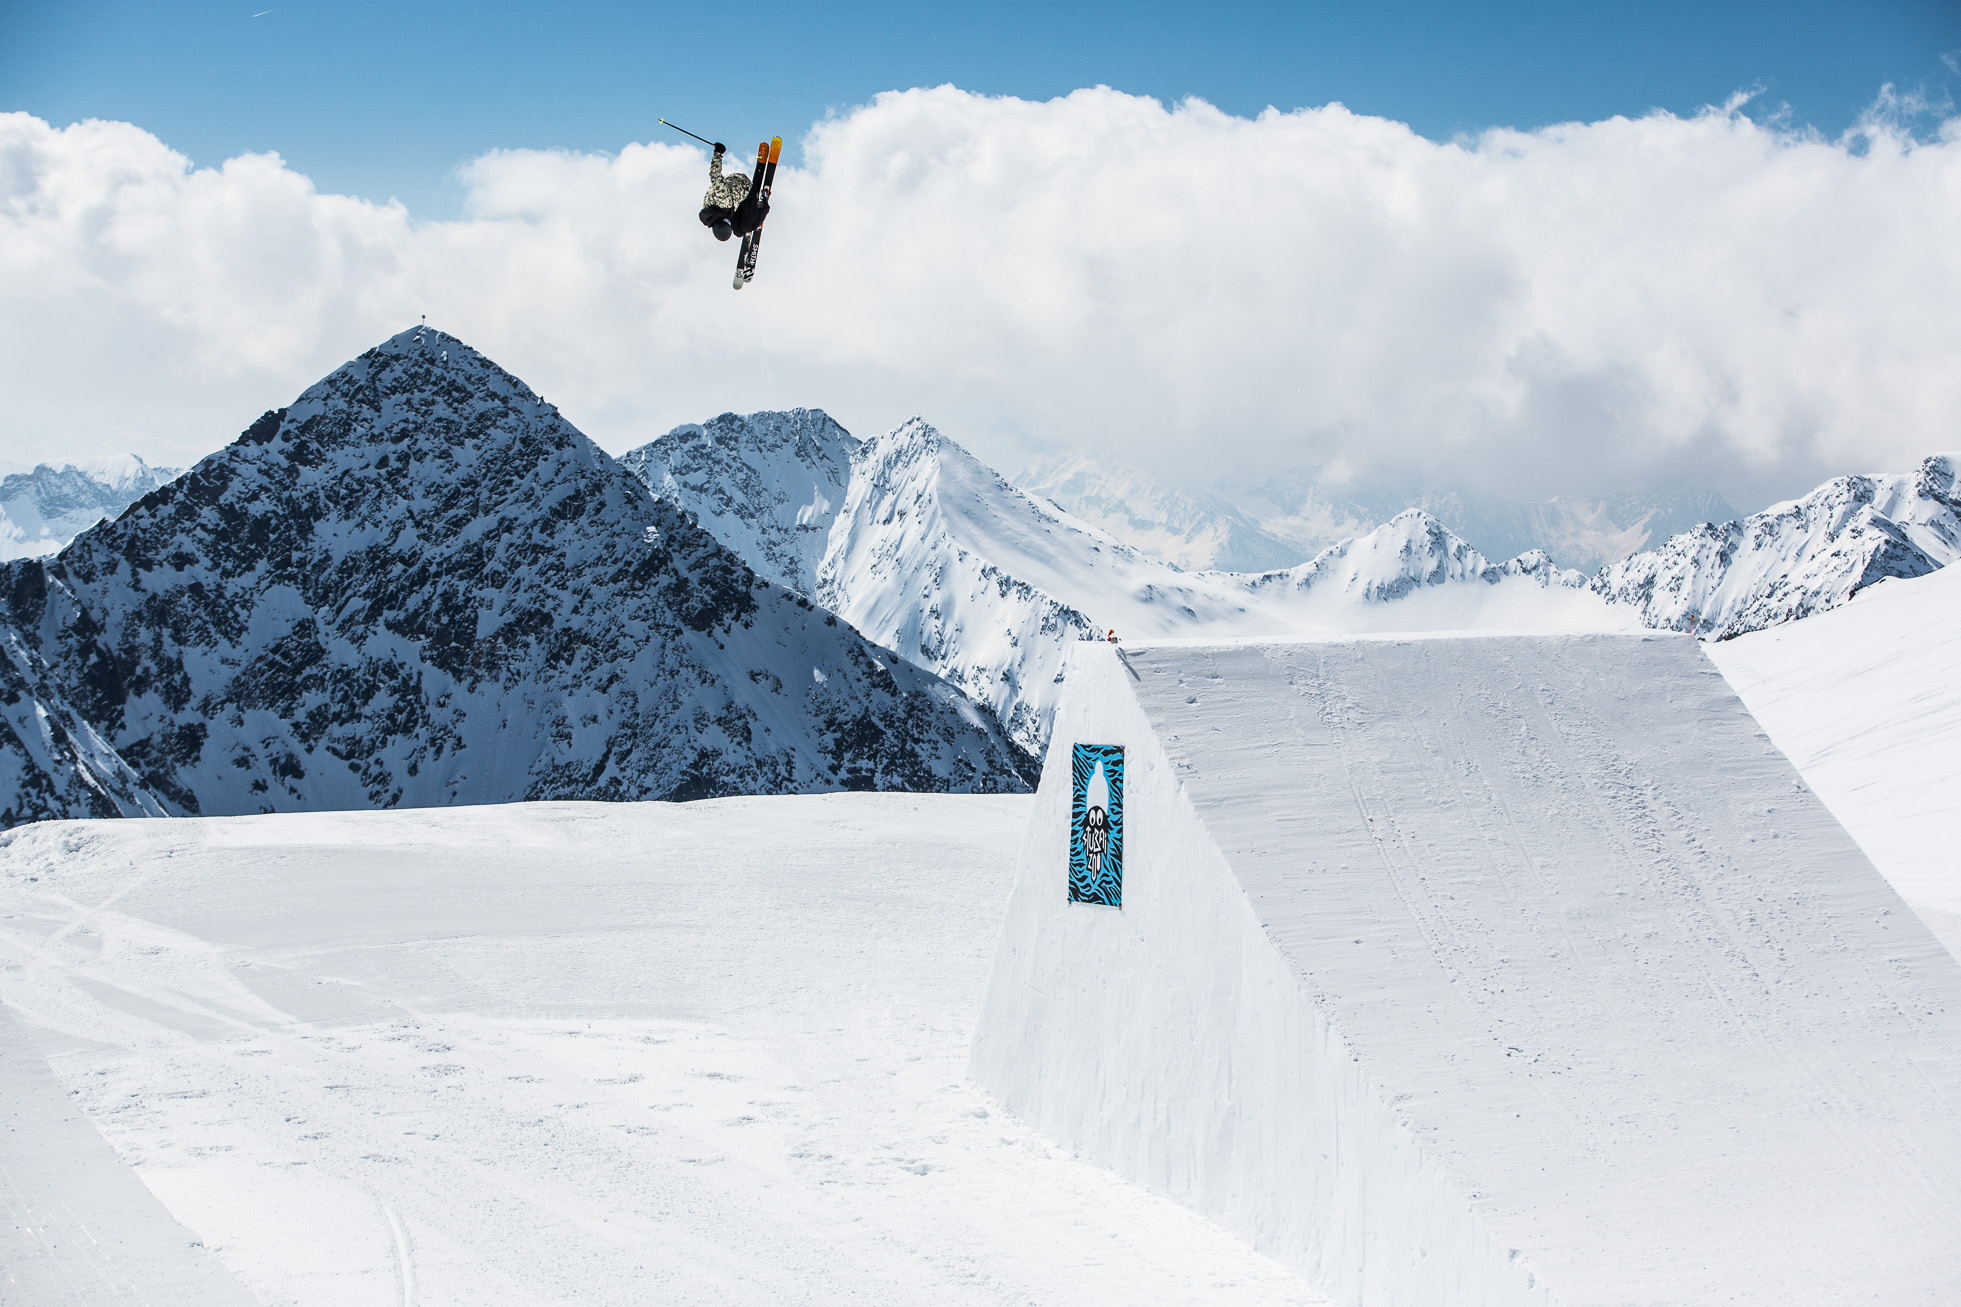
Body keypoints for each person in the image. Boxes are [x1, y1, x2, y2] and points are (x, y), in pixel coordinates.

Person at [698, 143, 768, 242]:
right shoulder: (710, 215)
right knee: (739, 232)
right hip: (733, 202)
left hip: (744, 188)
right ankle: (747, 223)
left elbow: (715, 176)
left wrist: (718, 153)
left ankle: (763, 207)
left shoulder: (722, 200)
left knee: (747, 226)